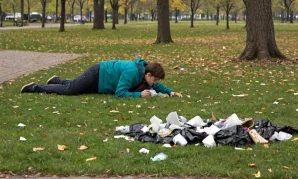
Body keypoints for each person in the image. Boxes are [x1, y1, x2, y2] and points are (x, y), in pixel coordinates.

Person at [20, 58, 182, 98]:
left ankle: (56, 80)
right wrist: (138, 95)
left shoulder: (143, 76)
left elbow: (155, 87)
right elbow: (120, 92)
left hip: (101, 82)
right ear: (148, 75)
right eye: (154, 79)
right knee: (71, 90)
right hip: (98, 74)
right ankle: (36, 87)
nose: (155, 83)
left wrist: (171, 92)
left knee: (77, 86)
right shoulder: (133, 72)